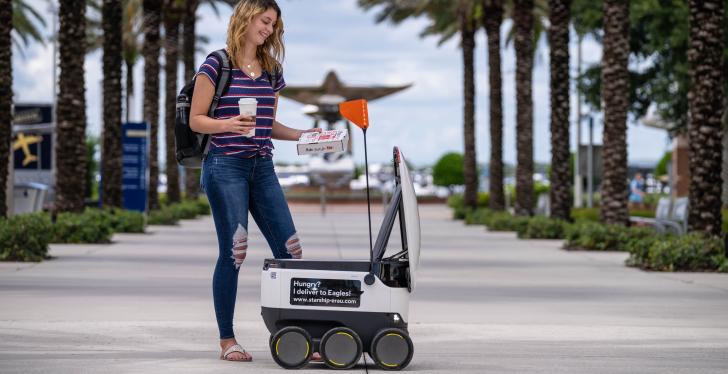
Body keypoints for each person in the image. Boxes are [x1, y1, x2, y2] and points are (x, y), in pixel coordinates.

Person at [189, 0, 321, 362]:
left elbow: (269, 124)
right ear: (246, 18)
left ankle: (301, 336)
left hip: (262, 166)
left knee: (290, 250)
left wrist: (305, 136)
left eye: (273, 24)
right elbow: (196, 119)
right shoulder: (217, 63)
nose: (268, 29)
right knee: (235, 251)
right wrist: (227, 125)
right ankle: (227, 340)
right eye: (264, 21)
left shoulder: (272, 70)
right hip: (225, 165)